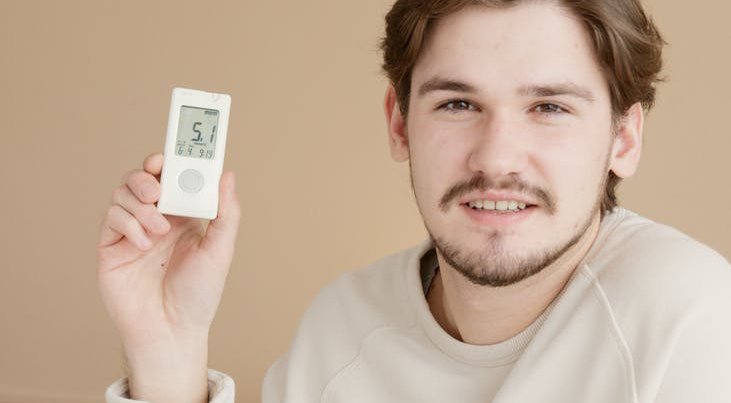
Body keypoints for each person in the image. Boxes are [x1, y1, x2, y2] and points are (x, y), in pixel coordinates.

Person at [98, 0, 731, 402]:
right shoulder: (341, 326)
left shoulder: (690, 316)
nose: (496, 159)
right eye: (457, 103)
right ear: (400, 124)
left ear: (623, 139)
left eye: (549, 107)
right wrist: (168, 347)